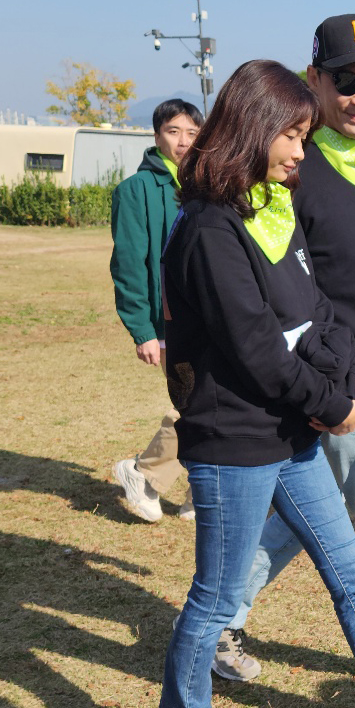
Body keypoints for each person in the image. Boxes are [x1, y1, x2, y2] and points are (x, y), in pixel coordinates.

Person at [156, 59, 355, 708]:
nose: (302, 152)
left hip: (290, 432)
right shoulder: (210, 229)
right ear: (255, 128)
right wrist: (334, 407)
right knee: (217, 595)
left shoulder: (271, 208)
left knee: (351, 572)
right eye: (294, 136)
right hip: (234, 441)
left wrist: (344, 381)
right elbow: (255, 349)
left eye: (306, 136)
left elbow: (319, 313)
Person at [215, 14, 355, 687]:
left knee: (305, 514)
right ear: (314, 78)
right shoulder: (294, 170)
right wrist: (326, 379)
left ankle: (219, 620)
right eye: (347, 81)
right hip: (330, 380)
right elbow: (279, 287)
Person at [110, 99, 202, 525]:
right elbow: (129, 264)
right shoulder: (136, 190)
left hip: (210, 313)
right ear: (156, 135)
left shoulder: (206, 182)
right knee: (196, 401)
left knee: (210, 400)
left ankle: (198, 489)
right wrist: (143, 330)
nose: (183, 141)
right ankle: (143, 472)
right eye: (173, 131)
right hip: (168, 321)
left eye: (192, 133)